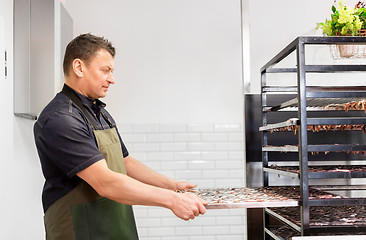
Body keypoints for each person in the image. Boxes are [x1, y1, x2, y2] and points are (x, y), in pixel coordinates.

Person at [33, 33, 207, 240]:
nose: (112, 79)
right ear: (79, 67)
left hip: (115, 227)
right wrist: (171, 200)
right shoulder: (61, 119)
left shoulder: (99, 113)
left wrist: (170, 185)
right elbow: (105, 182)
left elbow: (125, 162)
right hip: (81, 231)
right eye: (105, 70)